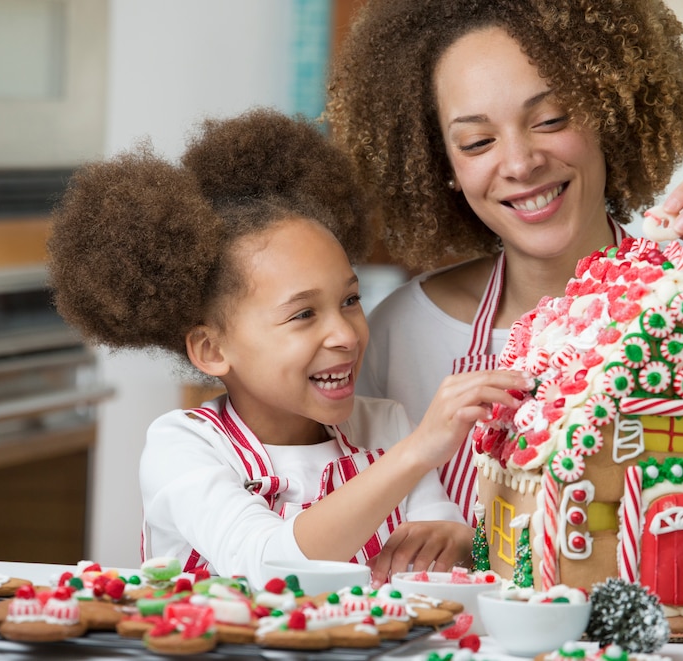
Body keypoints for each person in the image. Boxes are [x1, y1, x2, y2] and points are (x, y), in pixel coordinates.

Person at [325, 0, 683, 525]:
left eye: (551, 119)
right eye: (477, 141)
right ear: (444, 166)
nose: (520, 162)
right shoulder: (397, 332)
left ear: (612, 115)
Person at [46, 108, 528, 589]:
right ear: (212, 349)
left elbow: (439, 560)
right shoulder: (185, 447)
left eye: (350, 300)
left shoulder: (386, 425)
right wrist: (417, 452)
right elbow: (269, 564)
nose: (345, 334)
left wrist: (460, 542)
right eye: (303, 314)